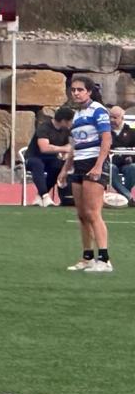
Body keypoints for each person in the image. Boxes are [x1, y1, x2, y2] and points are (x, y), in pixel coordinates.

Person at [61, 75, 113, 272]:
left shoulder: (98, 110)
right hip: (79, 165)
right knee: (82, 214)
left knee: (93, 213)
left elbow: (106, 139)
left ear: (89, 92)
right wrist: (65, 169)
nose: (76, 93)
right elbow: (75, 146)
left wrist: (99, 165)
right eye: (73, 90)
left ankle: (105, 259)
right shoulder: (76, 115)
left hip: (93, 162)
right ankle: (87, 257)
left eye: (80, 90)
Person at [26, 105, 75, 207]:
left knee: (58, 166)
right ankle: (45, 195)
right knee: (37, 165)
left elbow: (70, 145)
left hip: (51, 158)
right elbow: (44, 148)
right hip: (34, 157)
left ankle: (41, 196)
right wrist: (63, 149)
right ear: (63, 121)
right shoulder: (44, 127)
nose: (71, 123)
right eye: (70, 121)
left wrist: (66, 153)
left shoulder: (66, 130)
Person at [110, 107, 135, 206]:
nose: (112, 120)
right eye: (110, 117)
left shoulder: (131, 132)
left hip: (126, 163)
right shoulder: (105, 132)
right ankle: (129, 196)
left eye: (115, 118)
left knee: (133, 168)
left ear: (122, 118)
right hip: (111, 162)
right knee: (111, 169)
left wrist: (132, 158)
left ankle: (125, 195)